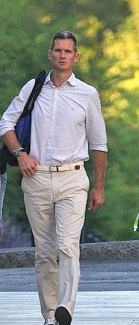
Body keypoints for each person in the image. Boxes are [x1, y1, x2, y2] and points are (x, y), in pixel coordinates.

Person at [0, 30, 107, 325]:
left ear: (76, 56)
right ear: (50, 54)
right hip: (36, 178)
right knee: (45, 252)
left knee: (68, 246)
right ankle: (49, 314)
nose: (62, 55)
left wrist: (98, 186)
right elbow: (6, 122)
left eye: (67, 51)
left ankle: (65, 309)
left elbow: (99, 143)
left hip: (73, 178)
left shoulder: (87, 94)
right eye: (57, 50)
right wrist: (20, 153)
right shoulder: (33, 88)